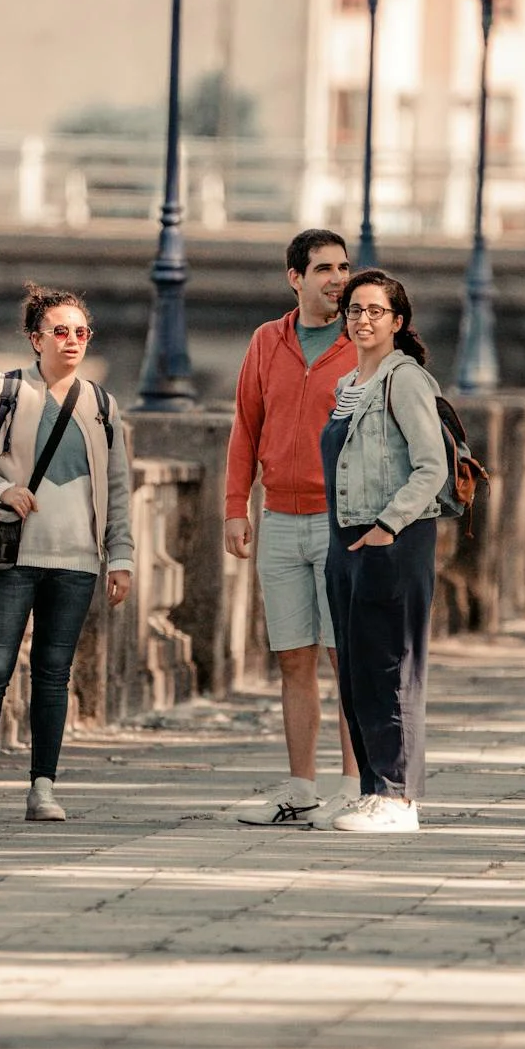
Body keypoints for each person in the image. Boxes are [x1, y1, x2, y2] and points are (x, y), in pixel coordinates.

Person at [0, 286, 134, 822]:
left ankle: (43, 789)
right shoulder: (2, 391)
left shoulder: (102, 405)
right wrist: (0, 488)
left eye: (81, 332)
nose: (72, 340)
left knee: (55, 674)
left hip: (77, 560)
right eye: (60, 330)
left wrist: (119, 556)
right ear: (35, 339)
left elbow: (118, 487)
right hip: (12, 554)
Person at [223, 228, 361, 828]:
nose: (337, 278)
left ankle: (357, 788)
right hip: (278, 519)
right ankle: (302, 788)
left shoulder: (365, 342)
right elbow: (245, 428)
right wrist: (235, 506)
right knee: (293, 657)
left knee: (345, 655)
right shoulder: (266, 341)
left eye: (344, 267)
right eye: (324, 268)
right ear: (295, 278)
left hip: (341, 523)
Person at [321, 269, 448, 834]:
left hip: (394, 540)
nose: (363, 319)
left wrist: (387, 527)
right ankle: (372, 790)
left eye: (375, 310)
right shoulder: (347, 385)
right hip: (347, 539)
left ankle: (399, 798)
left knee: (392, 668)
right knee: (356, 671)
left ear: (398, 322)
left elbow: (431, 467)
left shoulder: (406, 379)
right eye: (354, 309)